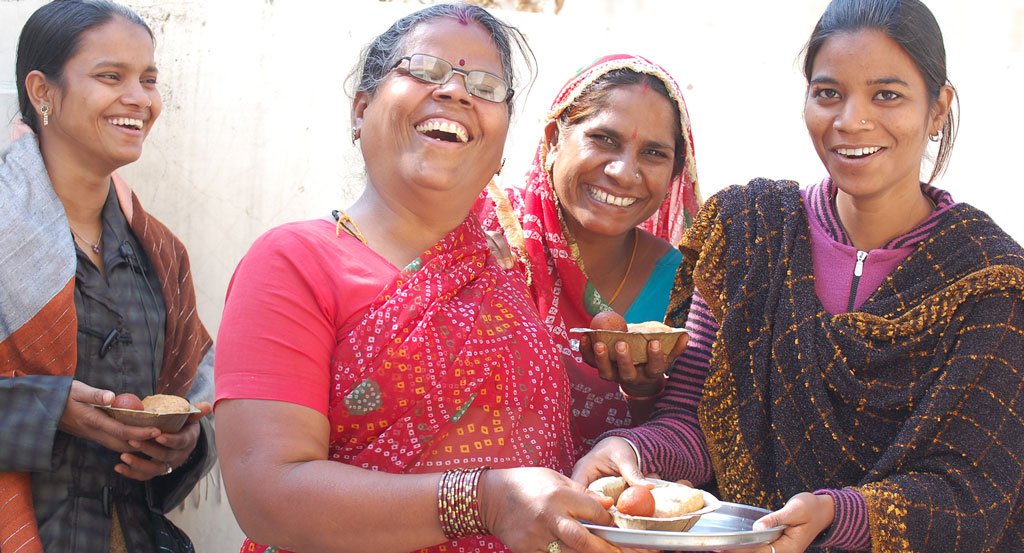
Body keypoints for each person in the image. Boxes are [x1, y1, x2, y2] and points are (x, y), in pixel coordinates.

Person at [573, 0, 1024, 552]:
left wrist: (841, 514)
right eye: (828, 93)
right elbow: (695, 420)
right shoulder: (748, 232)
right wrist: (635, 452)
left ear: (938, 109)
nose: (850, 120)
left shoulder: (991, 280)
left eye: (888, 94)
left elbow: (975, 490)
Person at [213, 4, 621, 553]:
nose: (455, 92)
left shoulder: (507, 280)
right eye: (425, 71)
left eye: (485, 85)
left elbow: (539, 460)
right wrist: (483, 501)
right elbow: (268, 495)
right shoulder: (293, 262)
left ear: (501, 147)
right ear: (360, 110)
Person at [0, 1, 217, 552]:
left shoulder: (160, 252)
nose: (140, 99)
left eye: (148, 79)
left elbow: (196, 386)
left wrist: (184, 442)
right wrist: (46, 409)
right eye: (110, 76)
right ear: (42, 92)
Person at [479, 54, 701, 445]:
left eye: (653, 154)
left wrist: (646, 392)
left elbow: (687, 435)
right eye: (603, 139)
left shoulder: (683, 282)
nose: (623, 172)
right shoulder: (487, 238)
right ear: (552, 141)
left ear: (673, 176)